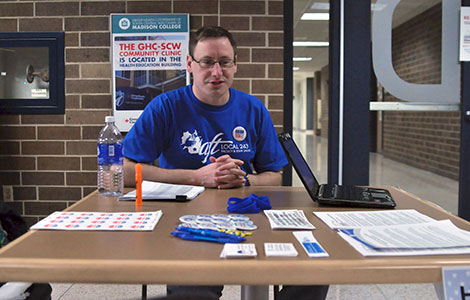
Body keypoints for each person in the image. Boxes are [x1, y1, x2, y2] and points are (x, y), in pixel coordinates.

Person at [122, 26, 328, 300]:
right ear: (190, 65)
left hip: (249, 215)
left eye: (225, 62)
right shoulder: (165, 107)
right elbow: (123, 171)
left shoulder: (253, 108)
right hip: (188, 219)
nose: (216, 72)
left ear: (235, 65)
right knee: (193, 291)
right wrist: (198, 177)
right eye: (207, 62)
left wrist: (244, 179)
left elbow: (274, 175)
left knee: (313, 273)